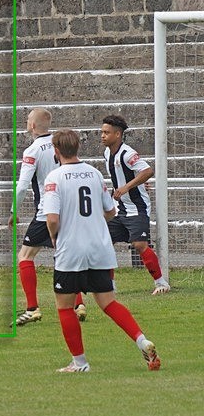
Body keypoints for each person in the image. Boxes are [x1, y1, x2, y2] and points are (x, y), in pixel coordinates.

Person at [43, 129, 160, 372]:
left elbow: (52, 219)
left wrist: (54, 236)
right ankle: (142, 339)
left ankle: (80, 363)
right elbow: (110, 211)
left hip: (71, 250)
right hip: (99, 247)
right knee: (108, 303)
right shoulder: (95, 174)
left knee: (65, 307)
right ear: (77, 148)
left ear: (56, 151)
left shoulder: (54, 178)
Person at [8, 108, 66, 326]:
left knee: (25, 257)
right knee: (64, 253)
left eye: (27, 120)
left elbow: (23, 185)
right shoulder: (61, 143)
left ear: (32, 126)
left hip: (45, 211)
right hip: (67, 208)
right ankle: (79, 303)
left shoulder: (32, 150)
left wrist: (14, 210)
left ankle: (32, 308)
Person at [101, 114, 170, 294]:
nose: (102, 135)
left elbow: (147, 171)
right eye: (102, 132)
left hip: (137, 208)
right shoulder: (107, 153)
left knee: (140, 245)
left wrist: (127, 187)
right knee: (103, 242)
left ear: (117, 134)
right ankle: (110, 285)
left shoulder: (128, 153)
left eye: (106, 132)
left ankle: (161, 283)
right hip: (120, 209)